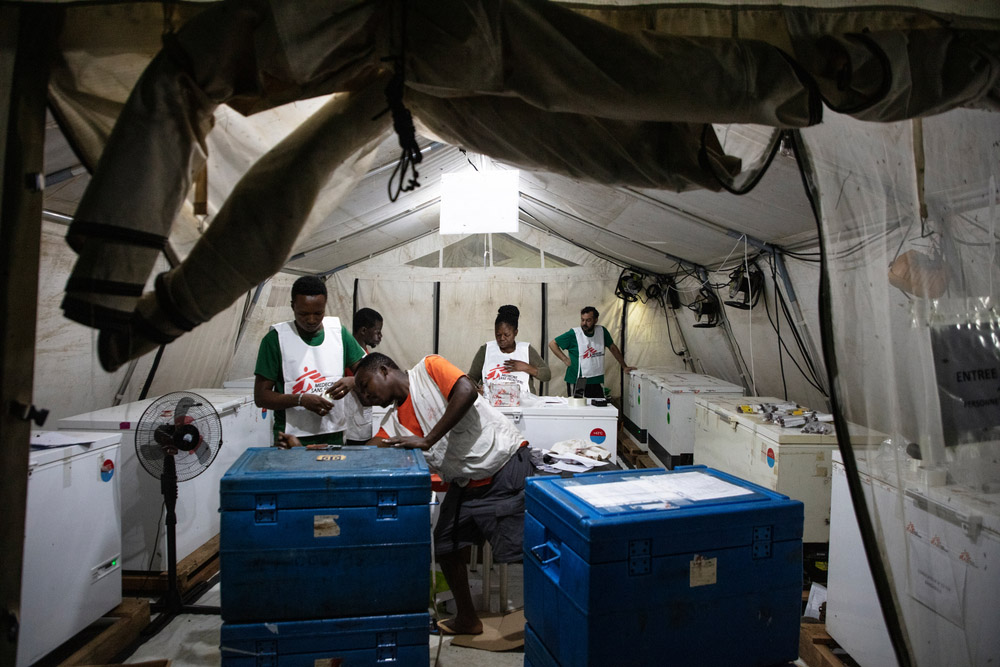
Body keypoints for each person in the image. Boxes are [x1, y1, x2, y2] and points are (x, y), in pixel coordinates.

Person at [355, 351, 533, 637]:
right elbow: (366, 453)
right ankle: (467, 619)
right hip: (467, 482)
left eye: (365, 385)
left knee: (522, 551)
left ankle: (547, 621)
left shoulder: (428, 367)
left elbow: (467, 391)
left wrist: (428, 440)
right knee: (446, 544)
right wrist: (314, 453)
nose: (365, 396)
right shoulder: (393, 423)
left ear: (385, 370)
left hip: (502, 464)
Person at [253, 276, 366, 446]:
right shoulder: (275, 340)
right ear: (293, 306)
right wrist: (300, 400)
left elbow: (369, 373)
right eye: (303, 314)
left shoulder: (338, 333)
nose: (311, 320)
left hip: (332, 435)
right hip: (290, 439)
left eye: (318, 313)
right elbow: (261, 397)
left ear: (325, 306)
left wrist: (353, 380)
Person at [549, 306, 635, 398]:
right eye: (582, 320)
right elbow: (553, 344)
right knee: (578, 408)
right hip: (579, 380)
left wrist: (624, 366)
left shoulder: (602, 331)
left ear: (596, 320)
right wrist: (565, 359)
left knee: (598, 407)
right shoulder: (574, 334)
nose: (584, 323)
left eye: (588, 320)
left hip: (596, 379)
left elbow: (612, 347)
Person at [468, 305, 551, 398]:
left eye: (506, 335)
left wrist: (526, 367)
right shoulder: (486, 349)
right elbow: (471, 378)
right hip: (491, 405)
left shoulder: (525, 350)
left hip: (523, 405)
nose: (502, 338)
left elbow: (547, 375)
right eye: (498, 334)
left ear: (516, 332)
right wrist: (476, 389)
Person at [343, 307, 384, 446]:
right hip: (354, 428)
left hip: (362, 422)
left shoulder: (364, 353)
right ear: (364, 331)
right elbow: (364, 398)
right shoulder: (353, 358)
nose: (380, 336)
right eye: (377, 331)